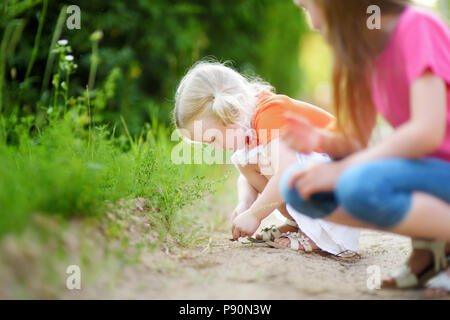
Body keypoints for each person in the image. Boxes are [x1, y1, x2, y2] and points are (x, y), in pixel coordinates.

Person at [276, 0, 450, 297]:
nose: (311, 23)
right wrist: (319, 141)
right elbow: (355, 142)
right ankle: (429, 250)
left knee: (360, 185)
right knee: (299, 185)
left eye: (306, 8)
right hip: (422, 173)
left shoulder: (417, 26)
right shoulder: (365, 52)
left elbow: (428, 132)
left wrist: (342, 170)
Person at [173, 61, 360, 256]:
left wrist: (255, 215)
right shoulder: (248, 123)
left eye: (212, 138)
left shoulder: (269, 112)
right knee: (247, 162)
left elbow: (287, 172)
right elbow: (247, 176)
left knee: (268, 163)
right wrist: (245, 204)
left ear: (230, 111)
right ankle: (299, 223)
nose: (215, 148)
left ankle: (319, 234)